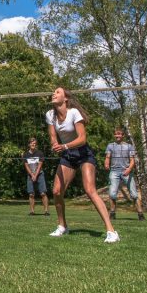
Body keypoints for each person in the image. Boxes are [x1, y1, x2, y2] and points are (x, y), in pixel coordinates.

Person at [45, 87, 119, 243]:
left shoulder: (73, 113)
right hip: (68, 156)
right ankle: (62, 226)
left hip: (83, 154)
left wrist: (64, 146)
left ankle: (111, 231)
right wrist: (55, 145)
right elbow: (52, 136)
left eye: (57, 92)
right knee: (57, 191)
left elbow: (82, 139)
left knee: (90, 190)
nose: (54, 94)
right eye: (54, 92)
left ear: (65, 98)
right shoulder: (50, 115)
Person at [105, 127, 145, 221]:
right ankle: (112, 214)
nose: (117, 136)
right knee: (112, 194)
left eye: (119, 134)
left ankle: (140, 215)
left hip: (126, 172)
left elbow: (132, 161)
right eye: (116, 134)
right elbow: (107, 157)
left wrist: (129, 169)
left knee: (134, 194)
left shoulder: (129, 146)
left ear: (123, 135)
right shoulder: (110, 146)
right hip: (114, 171)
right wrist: (106, 164)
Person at [23, 137, 49, 215]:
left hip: (40, 174)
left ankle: (46, 211)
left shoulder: (40, 153)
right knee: (31, 194)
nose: (33, 144)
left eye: (34, 143)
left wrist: (35, 175)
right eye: (32, 143)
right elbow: (26, 166)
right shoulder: (25, 154)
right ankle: (32, 211)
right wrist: (32, 175)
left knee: (43, 193)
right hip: (30, 175)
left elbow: (40, 165)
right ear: (29, 144)